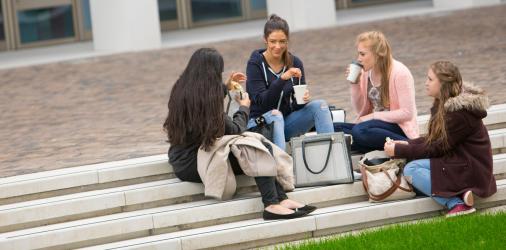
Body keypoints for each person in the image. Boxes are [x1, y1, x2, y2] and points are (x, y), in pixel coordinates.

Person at [164, 48, 315, 220]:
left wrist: (226, 87)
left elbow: (203, 98)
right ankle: (272, 204)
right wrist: (244, 107)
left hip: (183, 159)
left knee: (257, 145)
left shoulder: (182, 89)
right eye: (218, 74)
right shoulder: (206, 105)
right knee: (255, 147)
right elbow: (236, 129)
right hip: (195, 163)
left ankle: (281, 199)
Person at [384, 61, 497, 217]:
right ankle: (460, 194)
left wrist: (399, 150)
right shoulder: (443, 104)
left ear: (443, 84)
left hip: (471, 169)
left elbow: (436, 147)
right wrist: (406, 144)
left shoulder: (459, 113)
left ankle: (456, 203)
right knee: (412, 168)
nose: (425, 83)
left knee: (412, 169)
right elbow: (434, 140)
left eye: (430, 79)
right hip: (459, 162)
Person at [246, 14, 334, 151]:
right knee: (276, 115)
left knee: (320, 106)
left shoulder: (295, 63)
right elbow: (264, 102)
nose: (278, 46)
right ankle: (282, 170)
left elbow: (295, 106)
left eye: (282, 41)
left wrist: (302, 100)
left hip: (285, 123)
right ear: (265, 40)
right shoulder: (255, 64)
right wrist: (282, 79)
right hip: (260, 126)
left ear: (287, 41)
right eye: (273, 41)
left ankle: (332, 159)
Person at [336, 31, 419, 153]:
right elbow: (360, 110)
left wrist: (373, 116)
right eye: (358, 54)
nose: (359, 58)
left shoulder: (400, 72)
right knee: (332, 128)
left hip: (398, 128)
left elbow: (407, 113)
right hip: (373, 127)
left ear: (377, 54)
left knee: (359, 131)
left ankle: (409, 145)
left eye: (362, 54)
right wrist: (355, 83)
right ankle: (371, 144)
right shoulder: (365, 73)